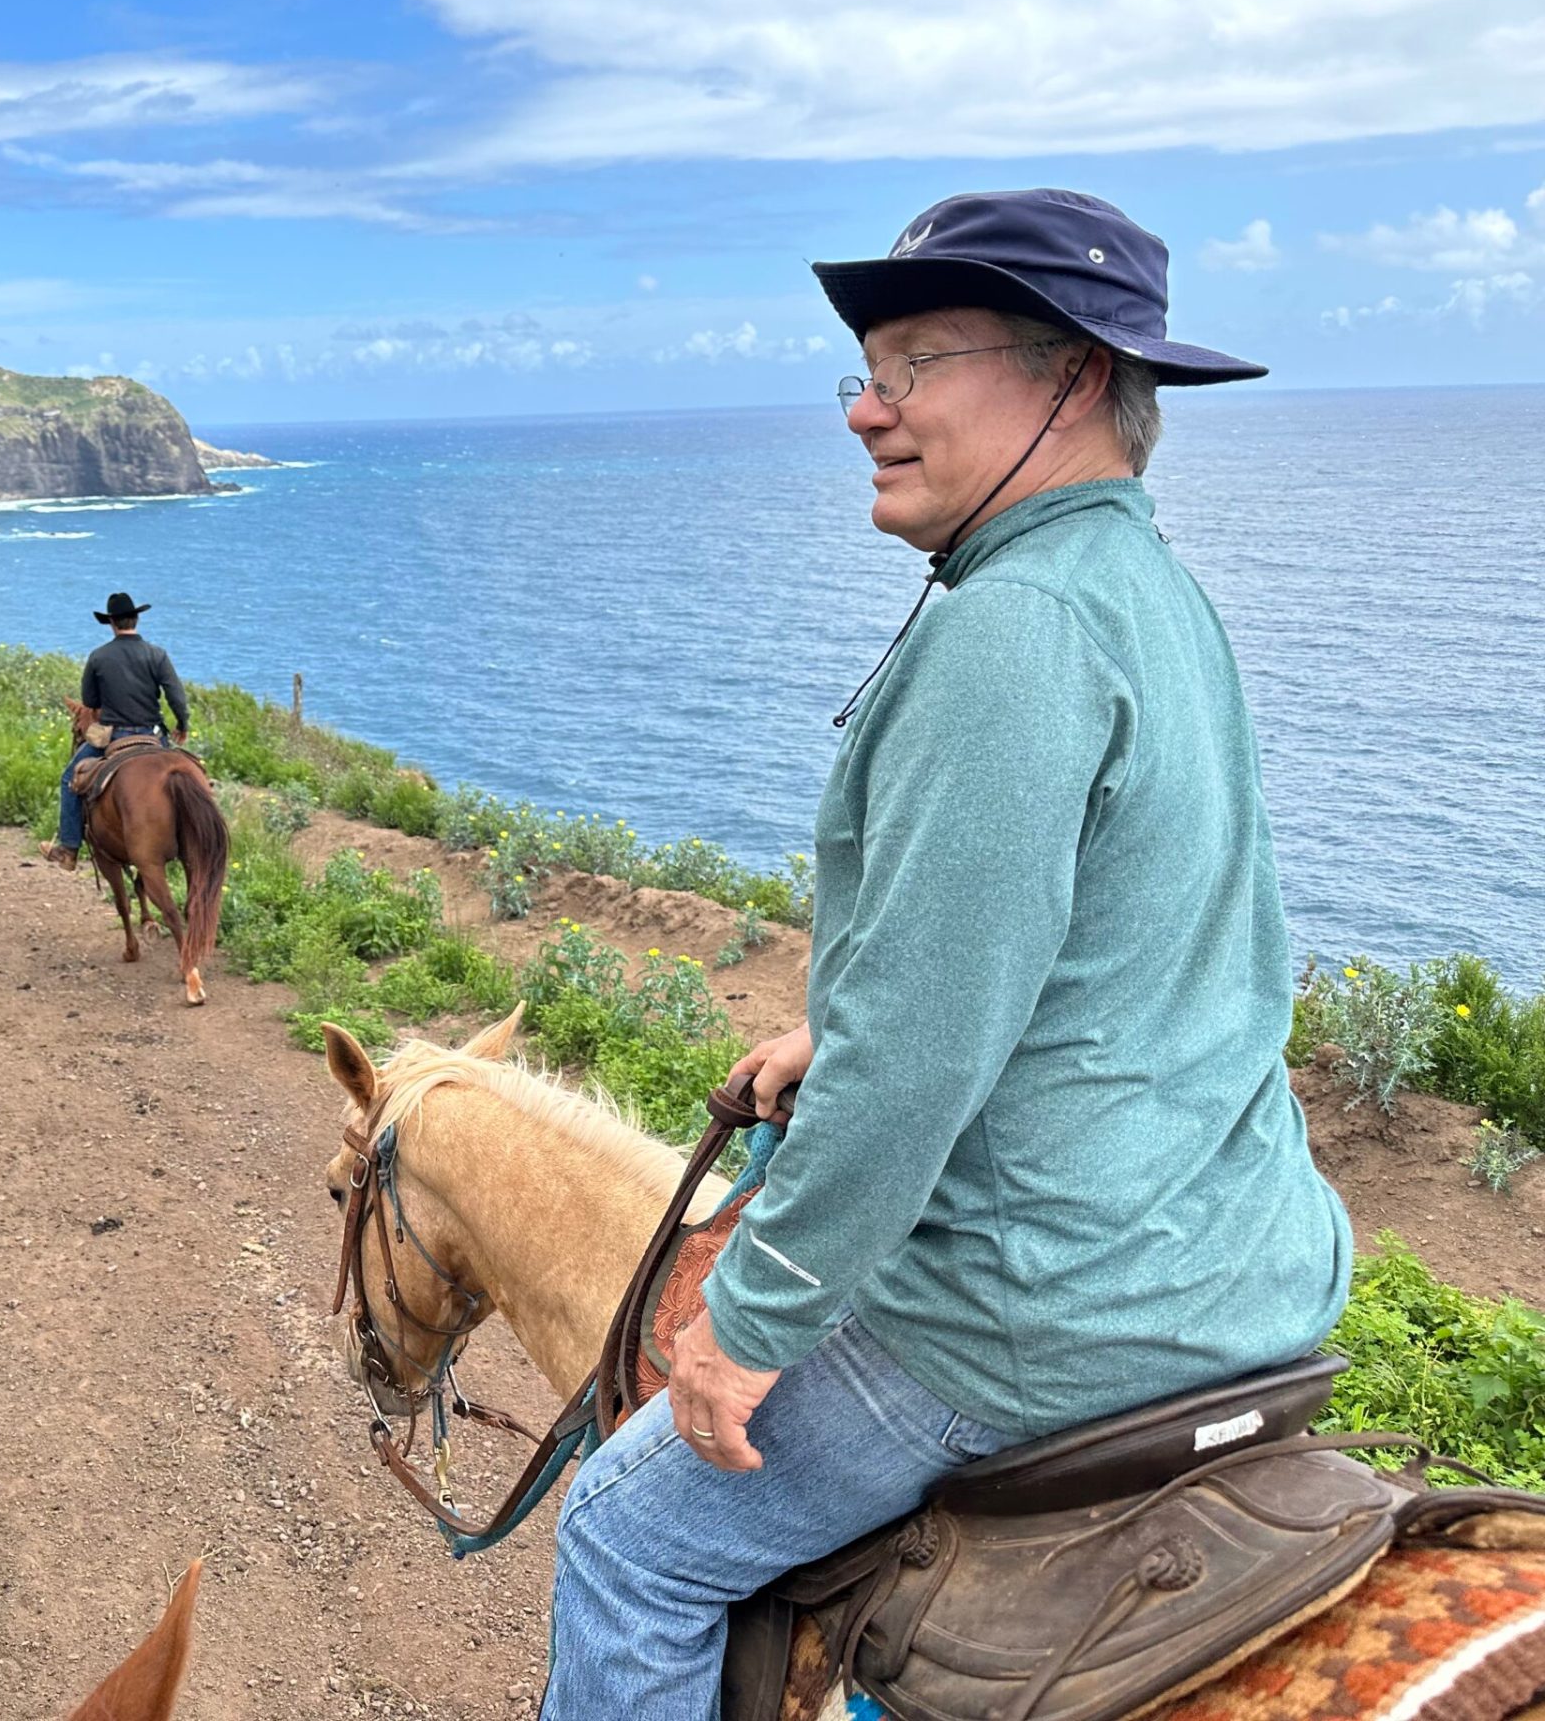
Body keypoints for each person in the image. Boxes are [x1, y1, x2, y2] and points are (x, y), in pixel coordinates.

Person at [540, 190, 1355, 1714]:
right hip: (1238, 1269)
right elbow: (1117, 939)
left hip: (1042, 1306)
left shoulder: (1013, 630)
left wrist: (749, 1325)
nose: (865, 407)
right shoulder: (1146, 592)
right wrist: (832, 1029)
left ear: (1070, 375)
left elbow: (920, 1061)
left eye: (916, 362)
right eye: (863, 368)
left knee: (626, 1532)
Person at [44, 591, 189, 870]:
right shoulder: (157, 655)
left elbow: (90, 702)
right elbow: (176, 696)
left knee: (68, 780)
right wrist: (182, 723)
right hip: (153, 735)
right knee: (187, 778)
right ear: (136, 619)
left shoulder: (99, 657)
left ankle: (69, 849)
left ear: (112, 623)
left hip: (115, 736)